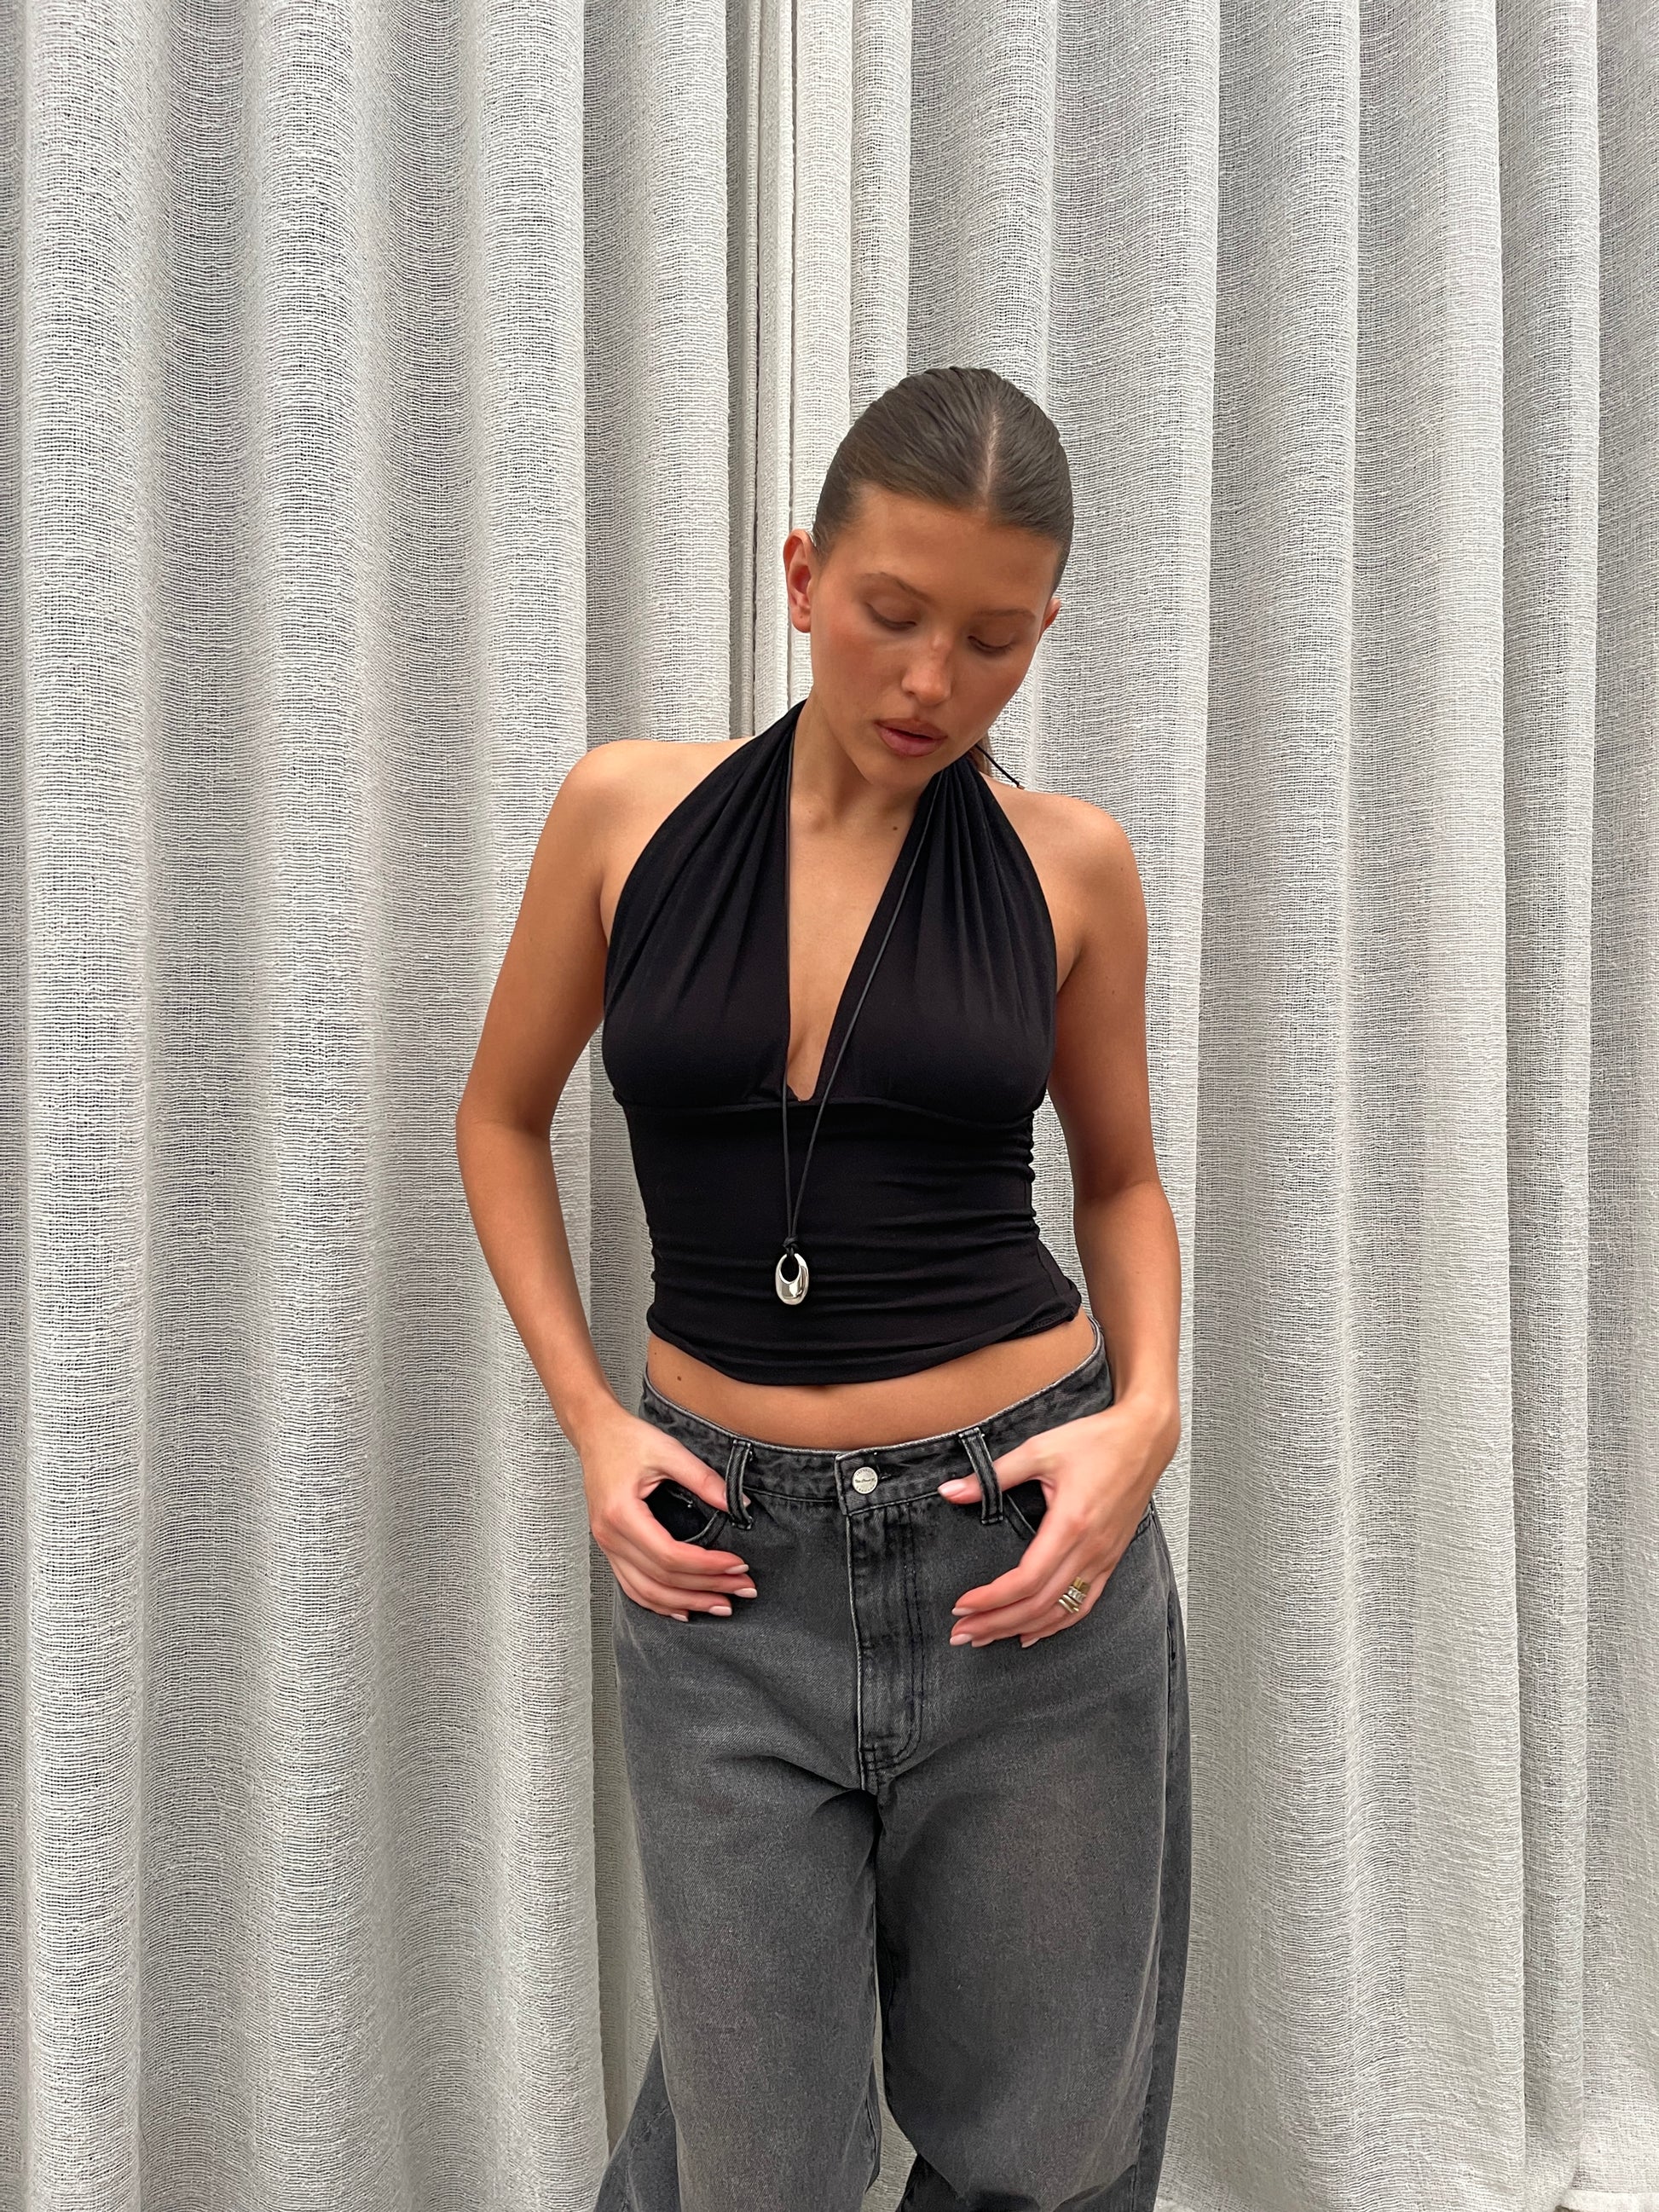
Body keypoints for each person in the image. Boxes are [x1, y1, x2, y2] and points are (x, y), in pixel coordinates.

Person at [454, 364, 1189, 2212]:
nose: (933, 679)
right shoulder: (626, 812)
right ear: (801, 576)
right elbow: (496, 1117)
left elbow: (1119, 1179)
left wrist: (1147, 1419)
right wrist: (589, 1417)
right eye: (890, 612)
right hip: (726, 1563)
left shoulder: (1070, 865)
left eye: (993, 641)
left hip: (1019, 1543)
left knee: (1046, 2137)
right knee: (755, 2158)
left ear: (1041, 635)